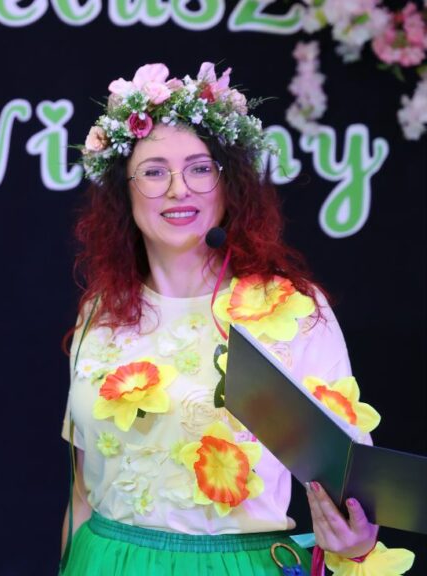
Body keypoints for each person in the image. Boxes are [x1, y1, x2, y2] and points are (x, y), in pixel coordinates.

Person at [60, 63, 411, 576]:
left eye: (200, 168)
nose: (178, 189)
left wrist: (355, 536)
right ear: (124, 190)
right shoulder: (101, 311)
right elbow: (81, 492)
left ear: (228, 184)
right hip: (105, 561)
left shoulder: (292, 308)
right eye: (154, 172)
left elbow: (354, 488)